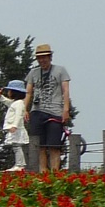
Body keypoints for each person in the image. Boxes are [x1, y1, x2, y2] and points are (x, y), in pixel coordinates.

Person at [23, 43, 73, 172]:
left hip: (55, 111)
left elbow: (65, 91)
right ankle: (43, 172)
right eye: (39, 58)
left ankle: (55, 172)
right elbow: (28, 92)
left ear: (50, 57)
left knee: (54, 146)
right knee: (40, 145)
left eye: (44, 57)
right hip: (37, 111)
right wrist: (24, 109)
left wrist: (66, 110)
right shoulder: (33, 73)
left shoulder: (60, 70)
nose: (42, 60)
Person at [0, 79, 31, 171]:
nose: (8, 93)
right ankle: (19, 164)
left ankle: (20, 164)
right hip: (14, 128)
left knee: (17, 146)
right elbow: (5, 101)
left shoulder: (19, 104)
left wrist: (15, 125)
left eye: (9, 91)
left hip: (16, 129)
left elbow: (18, 115)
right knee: (16, 146)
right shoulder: (15, 103)